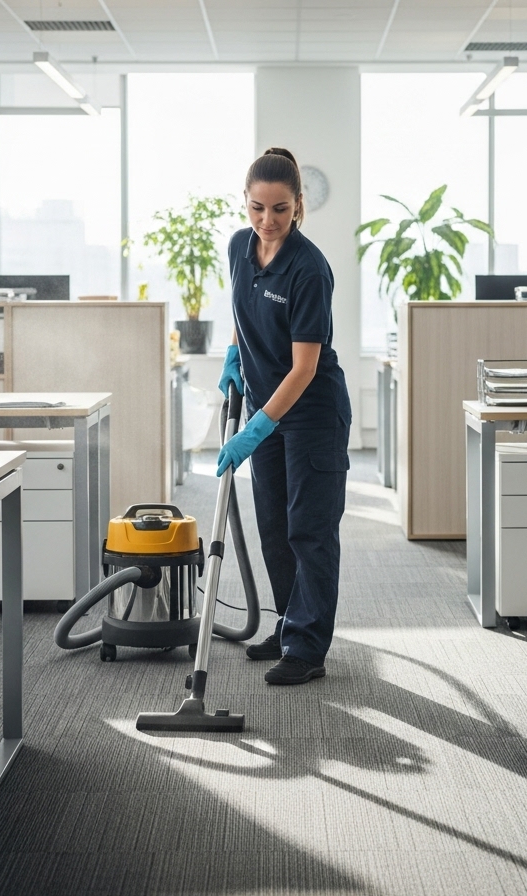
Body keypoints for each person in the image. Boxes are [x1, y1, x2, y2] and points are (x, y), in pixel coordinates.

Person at [217, 147, 351, 686]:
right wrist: (234, 355)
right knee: (274, 527)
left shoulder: (309, 268)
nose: (267, 221)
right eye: (256, 209)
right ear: (245, 204)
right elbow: (242, 311)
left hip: (310, 412)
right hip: (263, 405)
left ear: (298, 207)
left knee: (308, 531)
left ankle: (308, 648)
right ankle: (287, 624)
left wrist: (256, 428)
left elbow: (304, 367)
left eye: (279, 209)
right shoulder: (237, 248)